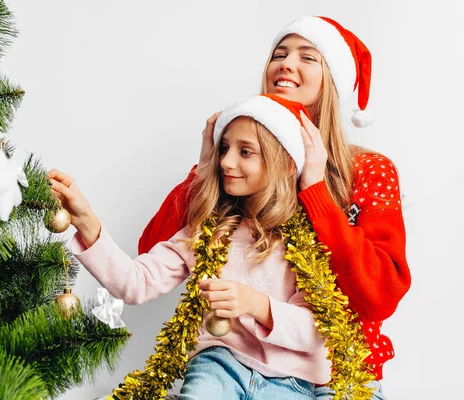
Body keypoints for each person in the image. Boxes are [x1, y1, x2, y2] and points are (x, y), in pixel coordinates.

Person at [137, 16, 411, 400]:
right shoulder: (239, 163)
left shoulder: (367, 171)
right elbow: (151, 253)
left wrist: (315, 191)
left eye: (308, 57)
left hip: (340, 372)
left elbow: (380, 296)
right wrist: (204, 172)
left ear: (332, 81)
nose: (286, 64)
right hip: (242, 363)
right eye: (279, 54)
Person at [48, 94, 332, 399]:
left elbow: (320, 331)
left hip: (291, 381)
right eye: (224, 148)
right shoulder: (210, 230)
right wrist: (87, 221)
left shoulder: (310, 240)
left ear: (287, 164)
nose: (226, 162)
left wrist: (256, 305)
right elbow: (136, 282)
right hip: (219, 364)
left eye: (245, 151)